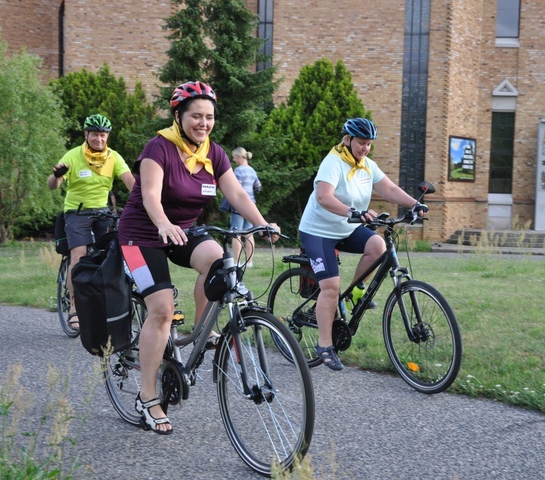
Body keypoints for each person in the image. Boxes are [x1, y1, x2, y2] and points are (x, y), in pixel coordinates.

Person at [118, 81, 278, 435]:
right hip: (141, 234)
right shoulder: (158, 148)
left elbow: (235, 191)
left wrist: (262, 223)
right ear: (179, 116)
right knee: (160, 310)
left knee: (220, 263)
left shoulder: (214, 153)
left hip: (182, 230)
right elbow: (150, 195)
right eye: (195, 116)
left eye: (209, 117)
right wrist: (161, 223)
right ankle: (147, 397)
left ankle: (204, 331)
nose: (203, 123)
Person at [298, 118, 428, 371]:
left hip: (345, 227)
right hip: (318, 232)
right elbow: (324, 197)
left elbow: (389, 188)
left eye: (368, 144)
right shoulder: (332, 162)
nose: (365, 148)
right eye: (360, 143)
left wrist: (414, 204)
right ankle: (325, 345)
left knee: (377, 246)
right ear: (347, 140)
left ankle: (357, 292)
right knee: (330, 288)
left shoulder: (367, 165)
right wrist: (353, 211)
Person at [47, 114, 135, 330]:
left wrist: (144, 200)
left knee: (110, 256)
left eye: (103, 135)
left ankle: (105, 302)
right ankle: (74, 308)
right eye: (95, 134)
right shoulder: (74, 155)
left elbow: (131, 182)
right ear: (86, 135)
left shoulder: (113, 157)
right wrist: (56, 176)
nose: (99, 139)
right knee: (79, 254)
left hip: (102, 213)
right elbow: (53, 185)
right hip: (77, 213)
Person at [229, 147, 262, 267]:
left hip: (239, 205)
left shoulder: (238, 171)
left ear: (239, 157)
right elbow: (258, 186)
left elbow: (236, 188)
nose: (233, 160)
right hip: (251, 205)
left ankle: (236, 261)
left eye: (234, 157)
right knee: (249, 233)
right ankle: (249, 262)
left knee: (236, 233)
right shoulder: (252, 170)